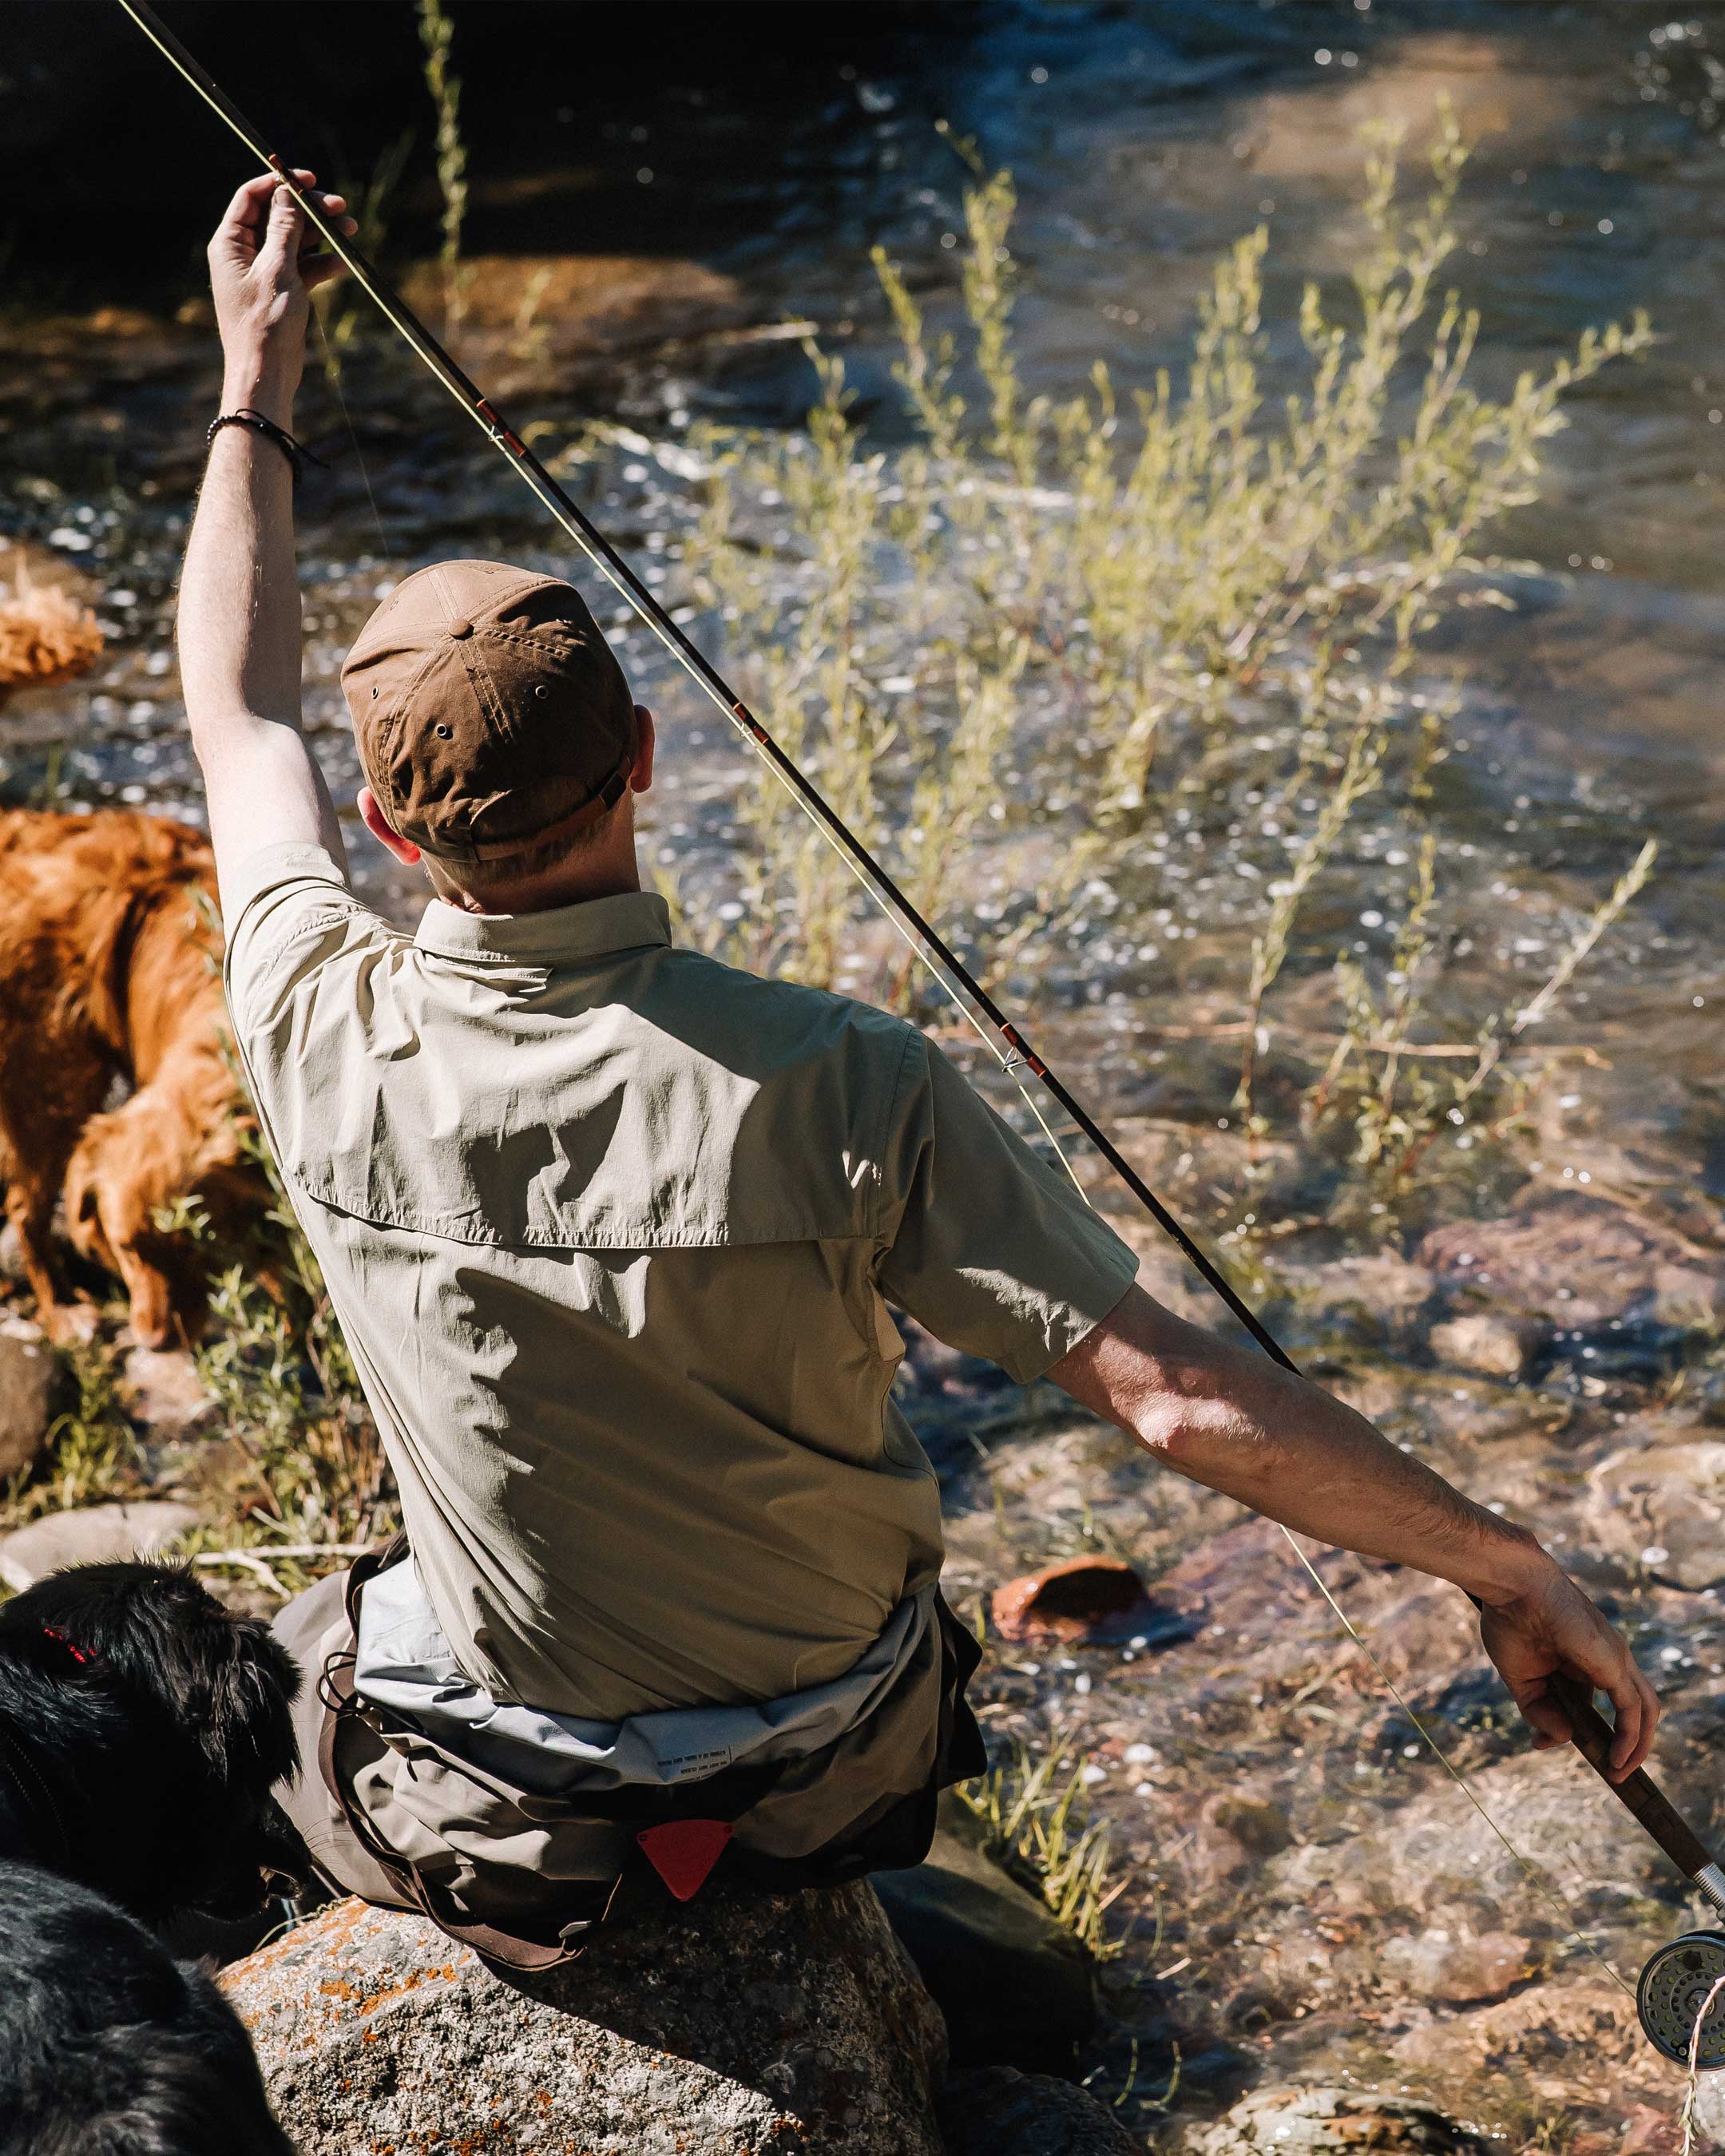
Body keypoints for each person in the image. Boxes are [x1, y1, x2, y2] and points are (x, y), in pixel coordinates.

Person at [180, 173, 1660, 1960]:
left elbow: (236, 711)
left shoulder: (308, 1013)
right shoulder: (848, 1075)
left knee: (292, 1657)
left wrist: (256, 378)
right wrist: (1505, 1565)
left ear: (386, 830)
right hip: (835, 1771)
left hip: (522, 1801)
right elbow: (1178, 1406)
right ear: (644, 754)